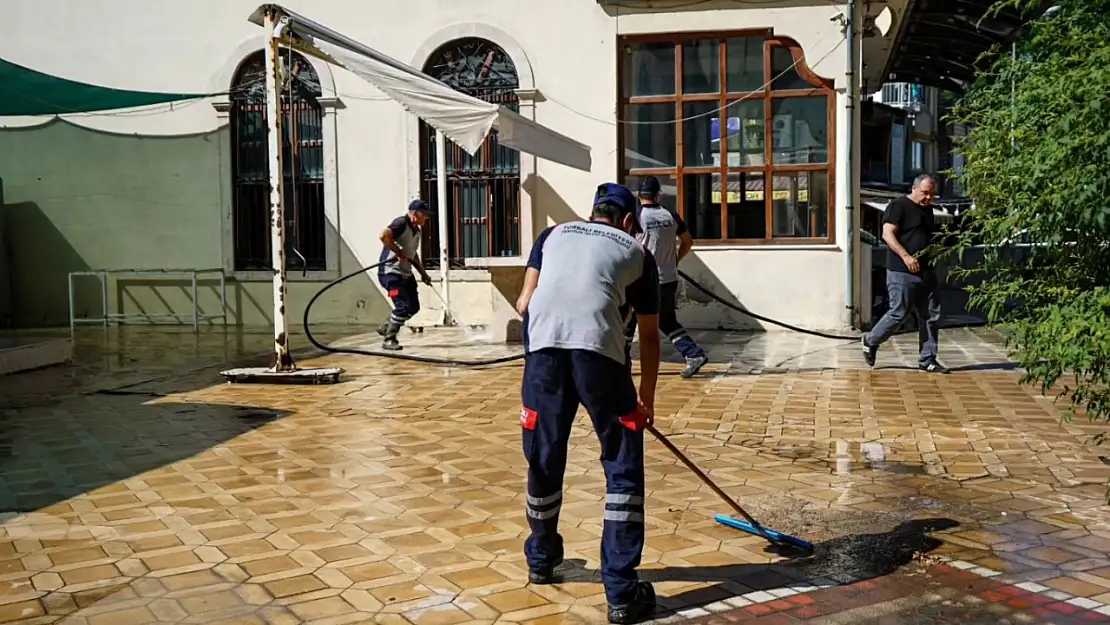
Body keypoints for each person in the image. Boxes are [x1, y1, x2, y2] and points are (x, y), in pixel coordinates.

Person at [514, 183, 661, 624]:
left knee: (544, 457)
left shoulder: (553, 235)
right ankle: (620, 592)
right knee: (621, 463)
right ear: (629, 220)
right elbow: (650, 337)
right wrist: (644, 401)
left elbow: (525, 302)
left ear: (592, 212)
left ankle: (541, 560)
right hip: (600, 354)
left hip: (542, 355)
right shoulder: (637, 252)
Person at [624, 176, 709, 378]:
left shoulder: (636, 216)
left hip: (642, 280)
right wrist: (675, 259)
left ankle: (621, 365)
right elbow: (687, 241)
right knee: (666, 320)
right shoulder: (670, 215)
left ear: (639, 195)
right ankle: (693, 354)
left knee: (628, 322)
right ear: (658, 194)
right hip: (668, 278)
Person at [862, 174, 948, 373]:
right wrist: (906, 256)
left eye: (932, 194)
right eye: (925, 193)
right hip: (902, 271)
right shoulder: (898, 206)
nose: (929, 198)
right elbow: (887, 234)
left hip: (927, 271)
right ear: (914, 188)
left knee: (931, 316)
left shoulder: (928, 211)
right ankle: (870, 340)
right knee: (898, 313)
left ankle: (928, 359)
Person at [376, 200, 434, 351]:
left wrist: (423, 273)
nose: (426, 218)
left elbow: (413, 255)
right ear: (415, 214)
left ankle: (387, 326)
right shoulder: (401, 223)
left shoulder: (418, 231)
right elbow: (384, 235)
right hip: (391, 273)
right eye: (424, 215)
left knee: (413, 307)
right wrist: (398, 251)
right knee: (402, 306)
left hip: (406, 274)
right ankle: (389, 339)